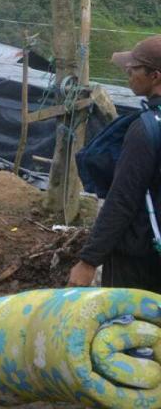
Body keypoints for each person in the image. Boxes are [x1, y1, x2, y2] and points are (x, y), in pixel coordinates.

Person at [68, 35, 161, 292]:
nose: (128, 72)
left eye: (134, 68)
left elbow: (122, 199)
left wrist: (88, 261)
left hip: (140, 259)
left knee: (130, 328)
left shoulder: (146, 129)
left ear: (155, 76)